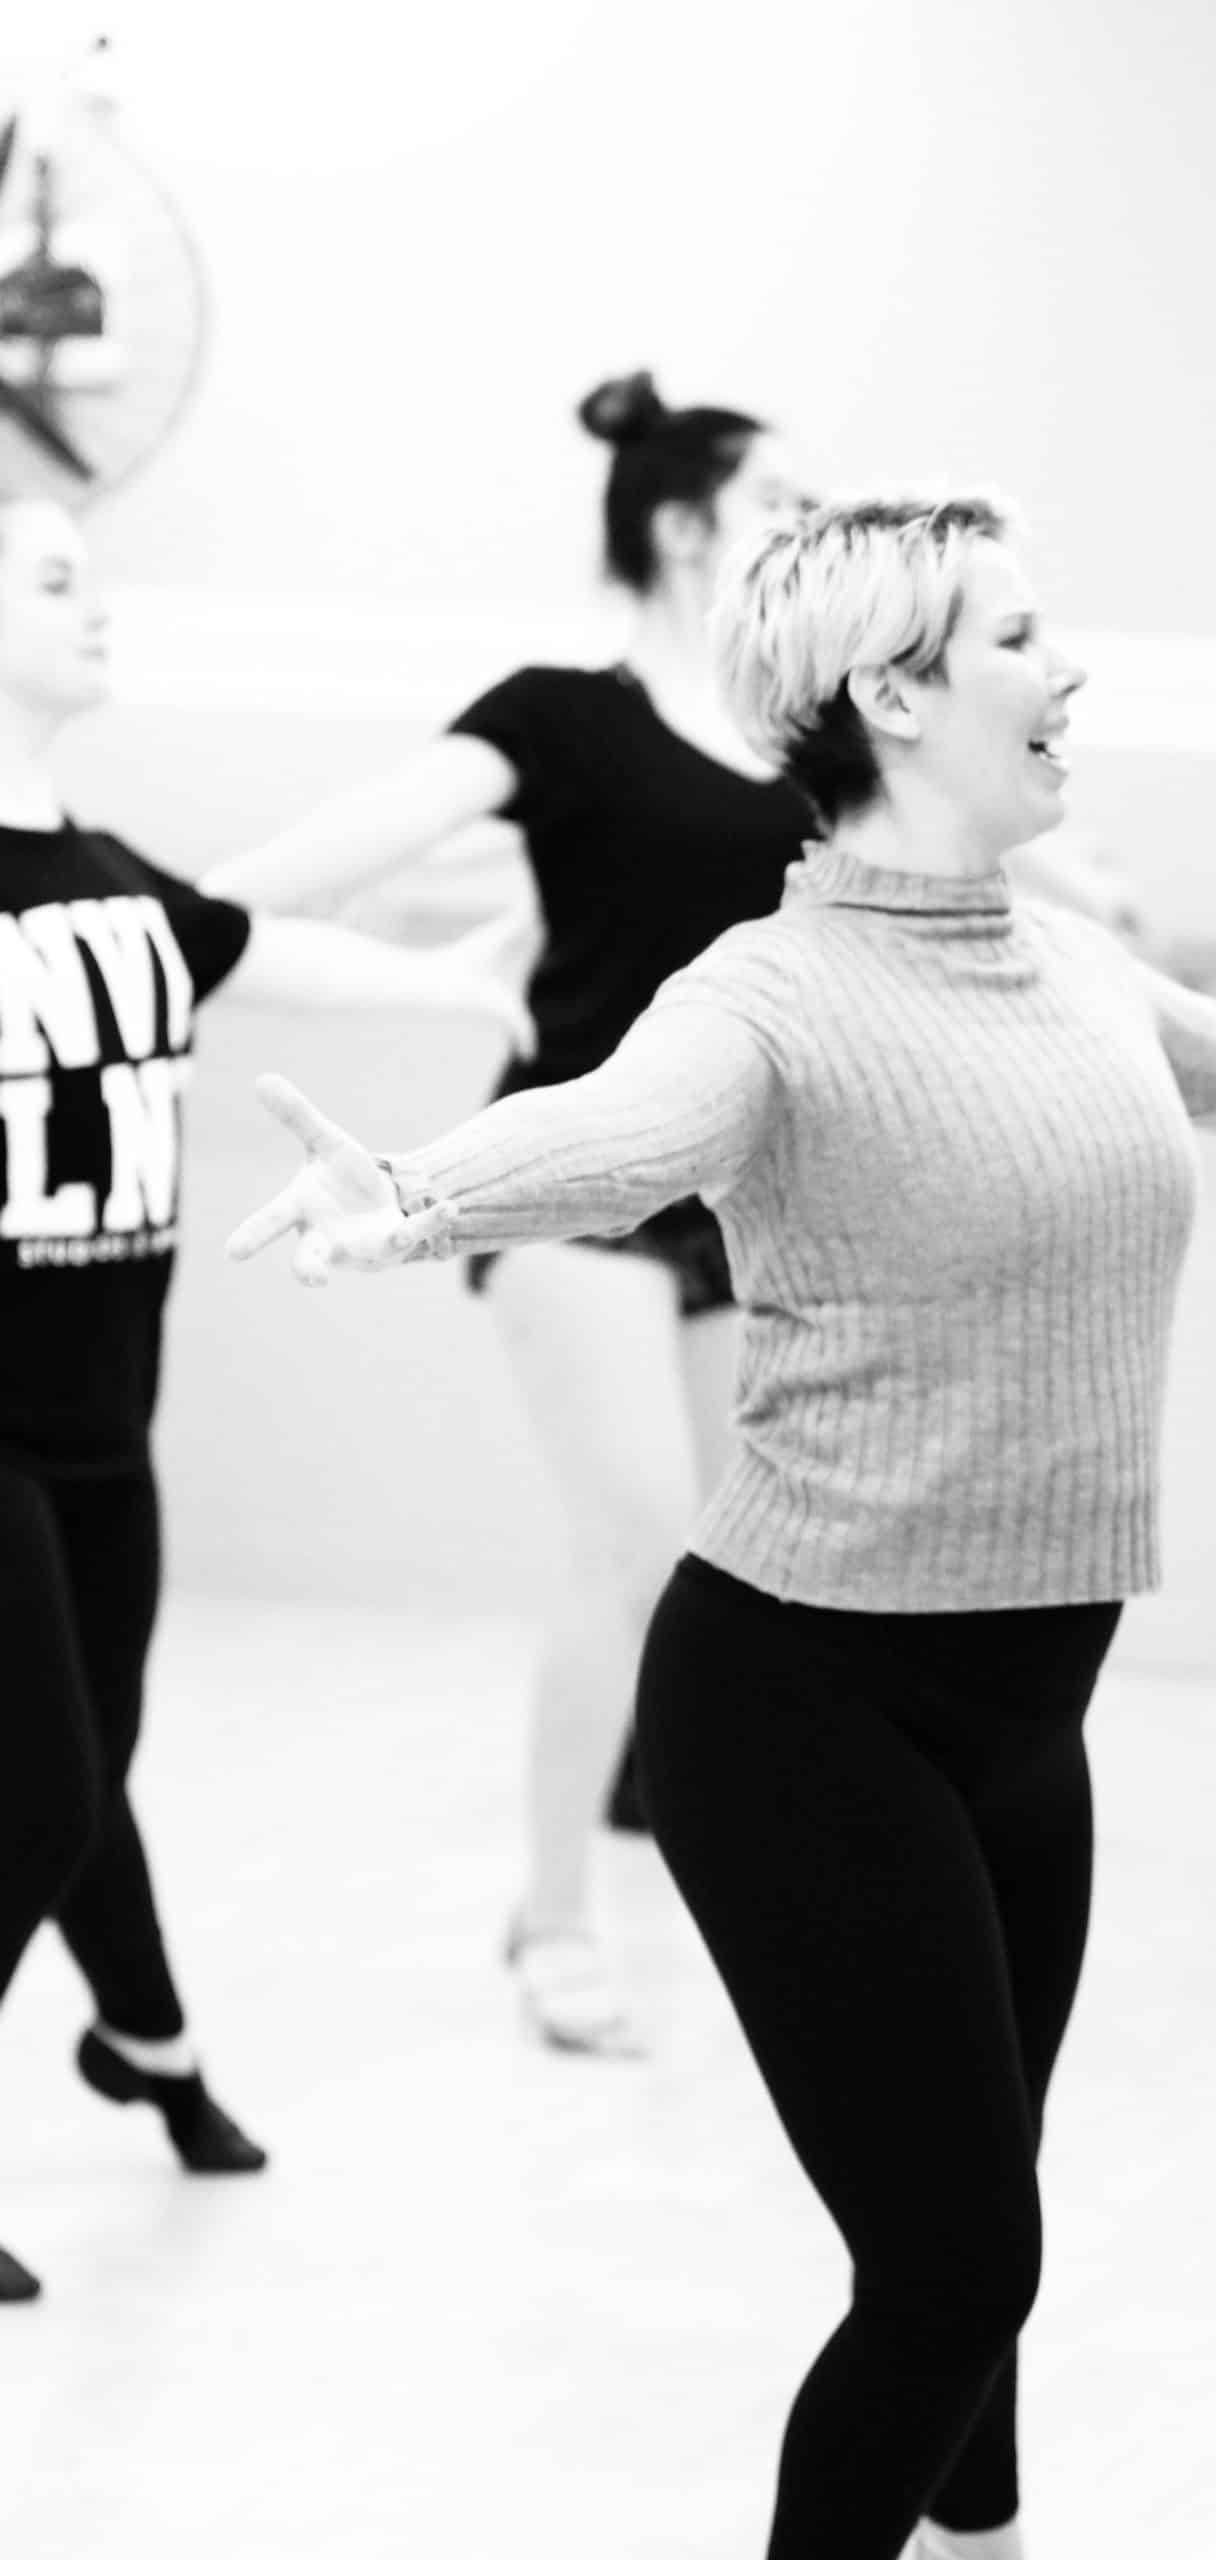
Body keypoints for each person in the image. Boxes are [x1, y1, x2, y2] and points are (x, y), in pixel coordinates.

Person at [227, 493, 1216, 2560]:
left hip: (1025, 1712)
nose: (1069, 671)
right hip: (801, 1706)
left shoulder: (1068, 959)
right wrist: (416, 1196)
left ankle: (986, 2540)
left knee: (982, 2223)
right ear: (889, 691)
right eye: (1019, 636)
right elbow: (612, 1129)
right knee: (954, 2266)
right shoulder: (766, 993)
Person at [206, 372, 1149, 2058]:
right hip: (571, 1179)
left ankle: (756, 1863)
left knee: (743, 1560)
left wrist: (1105, 899)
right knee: (633, 1544)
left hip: (747, 1200)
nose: (808, 513)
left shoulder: (799, 733)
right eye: (776, 494)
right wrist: (167, 920)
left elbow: (964, 842)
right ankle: (555, 1919)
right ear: (681, 524)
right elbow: (365, 832)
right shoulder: (562, 717)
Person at [0, 495, 527, 2308]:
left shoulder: (109, 874)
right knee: (37, 1785)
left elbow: (249, 946)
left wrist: (453, 985)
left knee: (82, 1769)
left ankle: (145, 2040)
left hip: (103, 1421)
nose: (97, 605)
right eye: (52, 579)